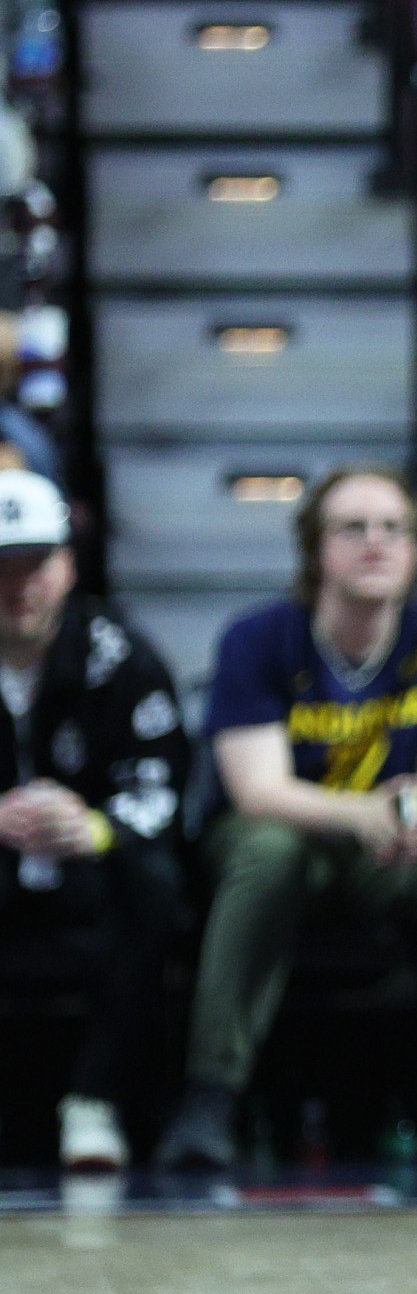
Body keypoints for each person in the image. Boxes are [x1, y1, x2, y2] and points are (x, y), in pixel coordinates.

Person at [156, 469, 417, 1173]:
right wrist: (363, 813)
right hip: (290, 837)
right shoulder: (258, 637)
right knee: (269, 847)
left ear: (416, 549)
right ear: (315, 549)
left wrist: (406, 813)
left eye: (393, 528)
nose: (375, 543)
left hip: (393, 848)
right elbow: (258, 790)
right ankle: (210, 1096)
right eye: (353, 527)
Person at [0, 472, 188, 1170]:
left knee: (153, 880)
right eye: (1, 568)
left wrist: (96, 826)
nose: (19, 586)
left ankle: (95, 1100)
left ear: (68, 565)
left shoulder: (122, 656)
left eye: (35, 565)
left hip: (89, 866)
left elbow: (163, 782)